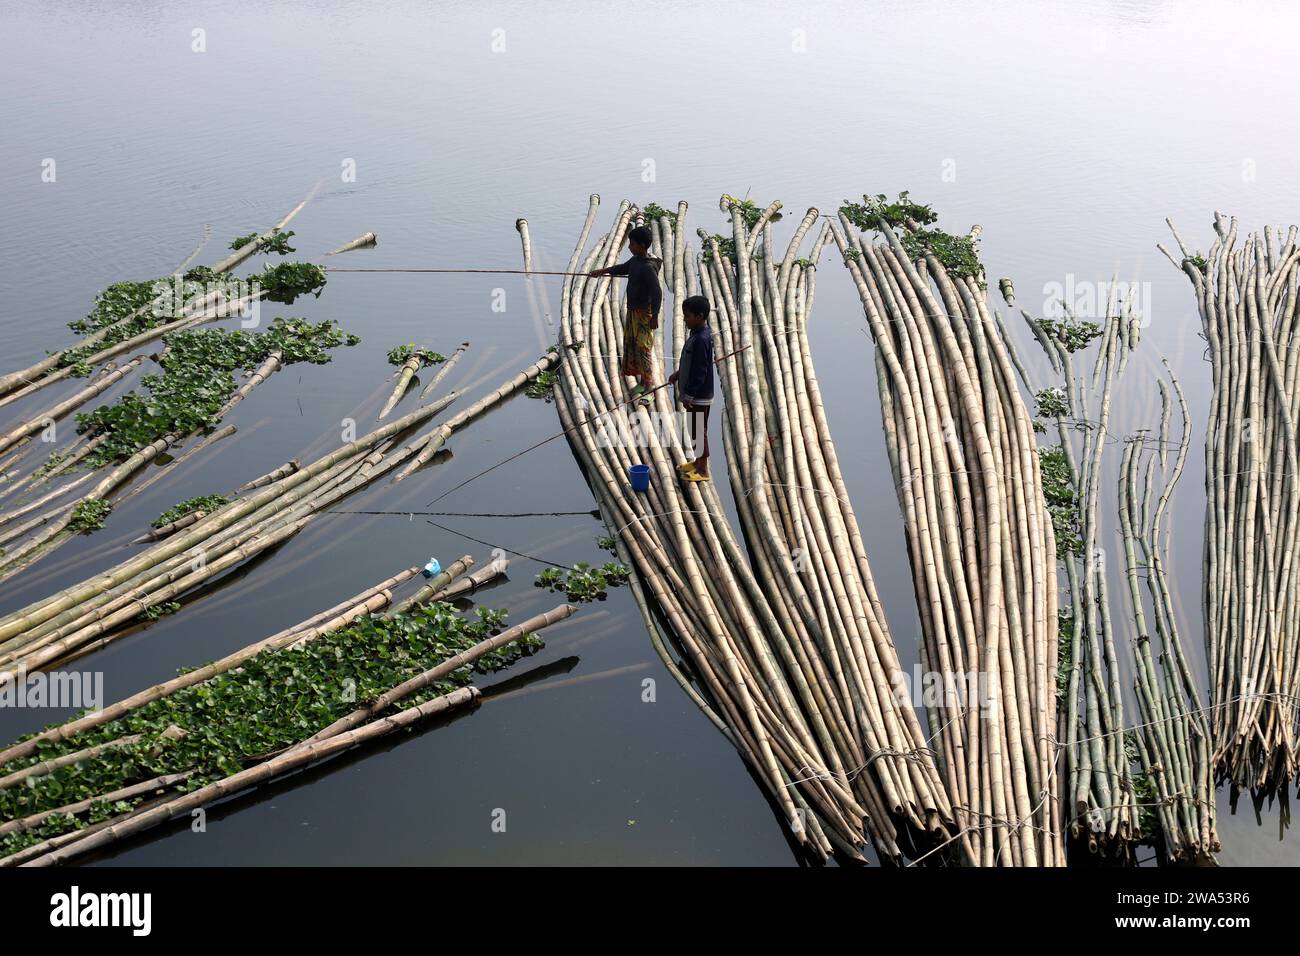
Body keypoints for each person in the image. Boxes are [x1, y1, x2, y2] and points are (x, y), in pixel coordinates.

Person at [589, 226, 662, 406]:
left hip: (644, 314)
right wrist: (602, 271)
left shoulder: (648, 267)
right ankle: (643, 382)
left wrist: (655, 316)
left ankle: (650, 388)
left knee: (644, 349)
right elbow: (623, 268)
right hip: (633, 311)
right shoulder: (636, 260)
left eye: (632, 244)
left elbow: (657, 293)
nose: (630, 247)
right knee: (633, 345)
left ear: (642, 246)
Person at [668, 294, 714, 481]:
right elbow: (691, 363)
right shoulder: (696, 334)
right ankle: (697, 462)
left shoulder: (702, 339)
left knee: (698, 430)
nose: (685, 319)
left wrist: (689, 395)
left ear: (700, 316)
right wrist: (678, 374)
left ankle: (703, 470)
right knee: (694, 429)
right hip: (694, 393)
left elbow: (700, 371)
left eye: (688, 316)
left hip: (699, 396)